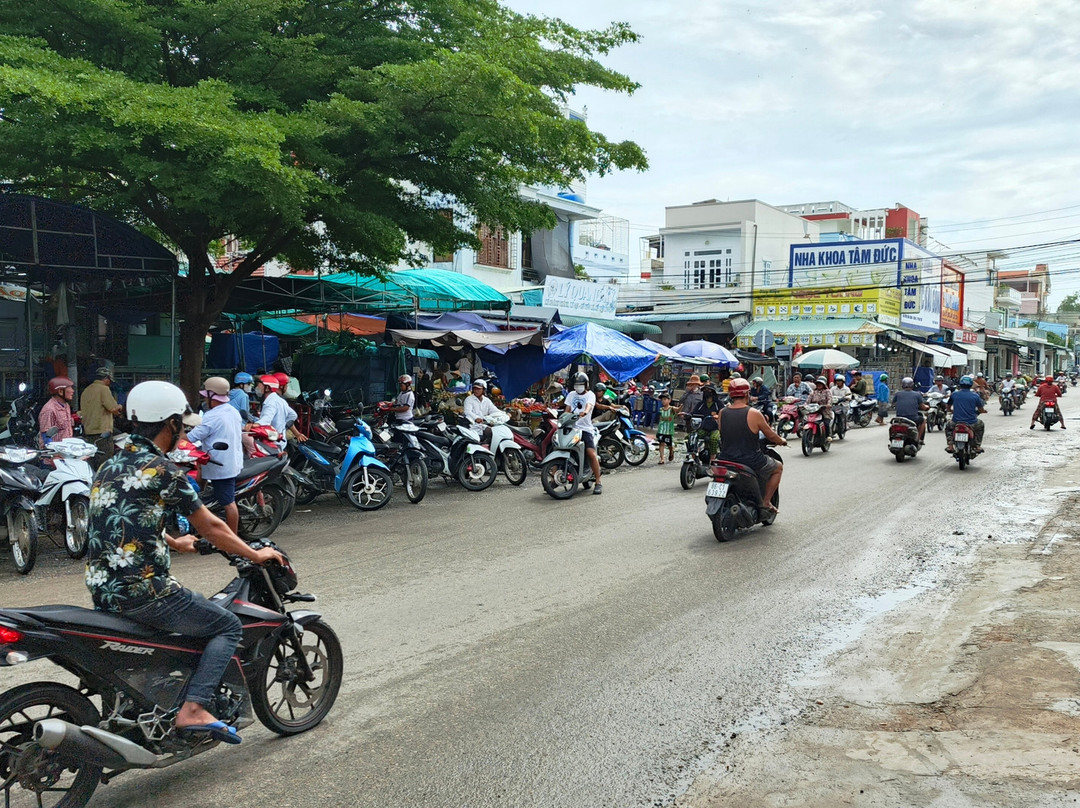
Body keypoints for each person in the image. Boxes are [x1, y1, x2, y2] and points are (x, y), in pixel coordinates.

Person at [85, 380, 284, 744]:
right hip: (146, 592)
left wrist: (174, 542)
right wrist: (256, 554)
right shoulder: (163, 471)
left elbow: (124, 521)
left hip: (103, 590)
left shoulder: (109, 466)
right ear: (171, 424)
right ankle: (193, 708)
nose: (183, 431)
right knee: (226, 627)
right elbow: (210, 524)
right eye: (182, 424)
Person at [717, 378, 787, 512]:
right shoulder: (754, 413)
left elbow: (723, 432)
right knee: (778, 467)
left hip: (725, 459)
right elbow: (770, 435)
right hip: (750, 460)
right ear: (747, 394)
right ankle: (766, 502)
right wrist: (781, 441)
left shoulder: (722, 412)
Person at [186, 377, 244, 534]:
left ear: (212, 396)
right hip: (229, 461)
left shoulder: (213, 416)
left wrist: (175, 437)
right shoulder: (232, 411)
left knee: (228, 503)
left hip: (222, 465)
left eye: (206, 395)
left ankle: (233, 539)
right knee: (200, 476)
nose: (204, 398)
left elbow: (192, 437)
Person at [564, 371, 603, 494]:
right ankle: (555, 476)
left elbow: (589, 406)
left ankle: (598, 481)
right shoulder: (571, 394)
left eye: (580, 384)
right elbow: (567, 410)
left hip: (585, 429)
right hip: (572, 428)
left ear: (586, 385)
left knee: (591, 453)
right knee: (557, 447)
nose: (578, 387)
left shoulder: (590, 395)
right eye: (576, 384)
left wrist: (585, 412)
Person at [79, 367, 122, 464]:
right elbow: (113, 409)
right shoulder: (104, 389)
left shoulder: (86, 390)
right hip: (103, 434)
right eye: (109, 381)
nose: (110, 383)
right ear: (106, 378)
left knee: (92, 461)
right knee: (105, 462)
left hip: (89, 433)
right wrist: (120, 407)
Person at [254, 374, 298, 449]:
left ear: (267, 388)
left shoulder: (270, 403)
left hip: (272, 441)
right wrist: (283, 425)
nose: (257, 388)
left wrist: (255, 425)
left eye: (259, 385)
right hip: (280, 438)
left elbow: (266, 420)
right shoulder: (279, 400)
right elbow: (293, 415)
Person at [946, 375, 987, 453]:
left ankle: (950, 446)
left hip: (956, 421)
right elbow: (981, 409)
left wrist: (952, 411)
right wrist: (982, 411)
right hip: (972, 422)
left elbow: (948, 407)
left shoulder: (954, 394)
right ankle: (977, 446)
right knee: (981, 425)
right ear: (971, 384)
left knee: (948, 426)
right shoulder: (975, 395)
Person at [39, 376, 75, 445]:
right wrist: (53, 449)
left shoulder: (66, 406)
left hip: (67, 449)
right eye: (70, 388)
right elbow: (45, 434)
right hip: (55, 452)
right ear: (61, 391)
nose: (72, 391)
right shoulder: (49, 409)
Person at [463, 379, 501, 443]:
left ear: (483, 390)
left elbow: (494, 410)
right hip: (473, 427)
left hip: (485, 425)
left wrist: (504, 414)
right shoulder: (469, 399)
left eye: (478, 389)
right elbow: (467, 412)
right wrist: (476, 418)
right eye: (474, 389)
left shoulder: (487, 400)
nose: (476, 391)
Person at [893, 376, 928, 444]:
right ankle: (919, 439)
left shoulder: (898, 394)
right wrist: (927, 407)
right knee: (923, 420)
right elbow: (923, 407)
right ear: (912, 385)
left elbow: (893, 403)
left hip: (899, 418)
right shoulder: (917, 394)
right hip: (912, 418)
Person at [694, 385, 723, 461]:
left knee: (713, 439)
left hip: (715, 428)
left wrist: (717, 416)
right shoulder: (700, 404)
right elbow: (693, 413)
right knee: (692, 437)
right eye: (705, 391)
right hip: (703, 428)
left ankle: (712, 458)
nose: (706, 392)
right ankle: (694, 456)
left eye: (708, 390)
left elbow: (724, 414)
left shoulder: (718, 404)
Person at [806, 376, 833, 440]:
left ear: (823, 385)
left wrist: (828, 404)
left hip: (824, 411)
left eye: (820, 384)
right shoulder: (813, 392)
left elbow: (830, 399)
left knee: (826, 422)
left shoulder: (827, 391)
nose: (819, 385)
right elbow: (808, 400)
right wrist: (805, 405)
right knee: (806, 420)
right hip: (814, 410)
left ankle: (828, 436)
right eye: (818, 384)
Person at [655, 392, 676, 464]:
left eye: (665, 399)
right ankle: (662, 459)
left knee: (669, 444)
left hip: (668, 431)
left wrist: (681, 406)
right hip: (661, 430)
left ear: (669, 400)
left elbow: (678, 410)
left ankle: (671, 451)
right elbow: (660, 420)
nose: (663, 401)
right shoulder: (661, 410)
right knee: (661, 443)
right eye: (662, 399)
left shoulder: (672, 409)